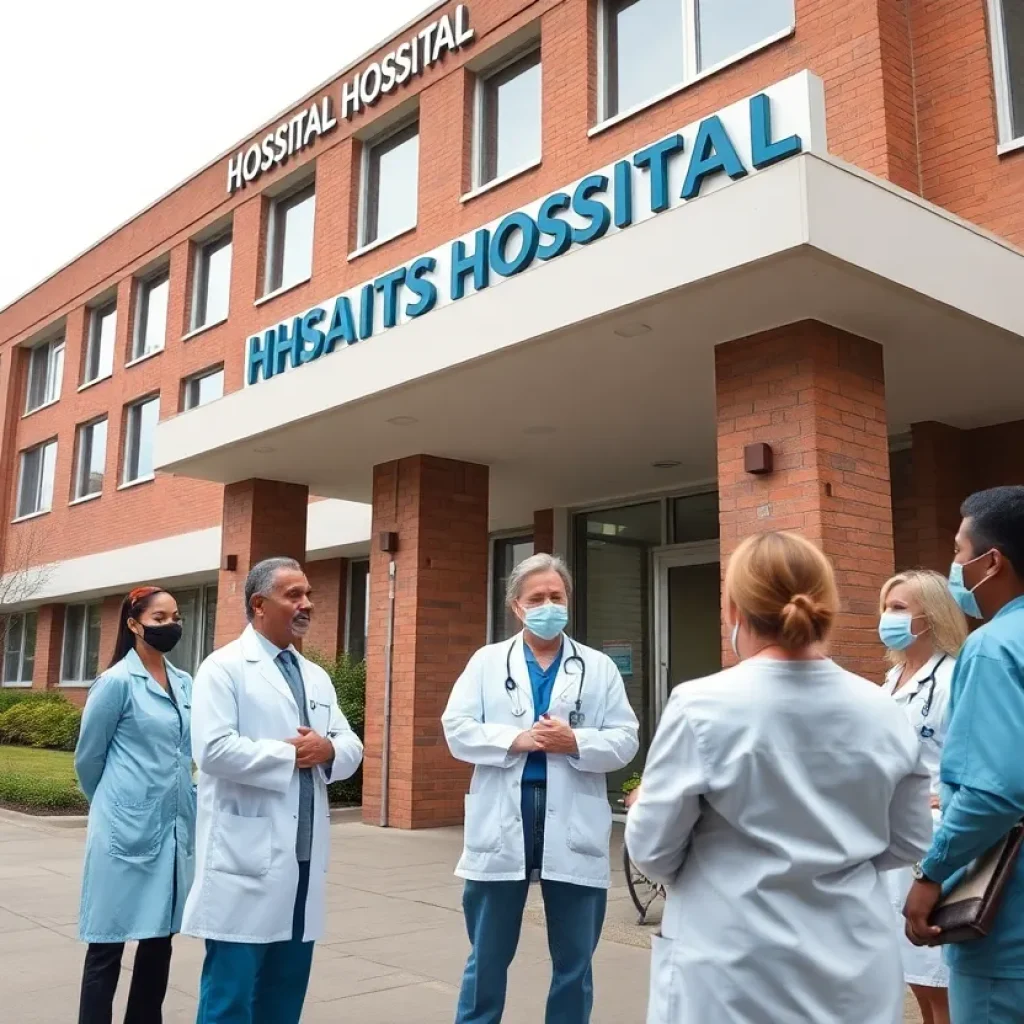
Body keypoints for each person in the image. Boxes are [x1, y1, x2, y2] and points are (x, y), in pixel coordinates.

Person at [625, 530, 933, 1024]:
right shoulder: (883, 708)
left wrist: (644, 810)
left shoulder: (701, 705)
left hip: (732, 963)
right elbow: (911, 839)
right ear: (827, 606)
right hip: (854, 963)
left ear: (732, 610)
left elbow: (655, 850)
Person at [442, 553, 639, 1024]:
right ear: (516, 606)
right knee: (486, 958)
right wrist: (516, 738)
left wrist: (576, 741)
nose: (549, 605)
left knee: (574, 963)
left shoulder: (597, 667)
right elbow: (456, 728)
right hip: (502, 822)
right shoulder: (487, 662)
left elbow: (625, 738)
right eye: (538, 598)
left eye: (557, 596)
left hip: (571, 820)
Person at [183, 556, 363, 1024]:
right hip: (244, 858)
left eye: (309, 595)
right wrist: (292, 754)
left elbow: (350, 744)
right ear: (259, 604)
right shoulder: (223, 668)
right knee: (231, 998)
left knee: (284, 996)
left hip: (303, 860)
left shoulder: (315, 675)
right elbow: (213, 751)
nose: (306, 605)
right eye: (294, 595)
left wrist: (327, 750)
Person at [903, 486, 1024, 1024]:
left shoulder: (996, 646)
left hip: (1009, 931)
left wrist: (931, 875)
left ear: (991, 561)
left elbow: (994, 792)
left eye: (958, 551)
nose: (954, 565)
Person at [75, 586, 195, 1024]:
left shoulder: (184, 683)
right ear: (133, 624)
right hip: (123, 831)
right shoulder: (116, 683)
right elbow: (89, 759)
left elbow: (187, 753)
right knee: (107, 943)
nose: (170, 626)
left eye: (175, 617)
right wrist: (114, 806)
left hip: (173, 830)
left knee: (158, 942)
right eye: (159, 619)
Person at [878, 569, 968, 1024]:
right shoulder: (891, 677)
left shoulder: (955, 676)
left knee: (941, 982)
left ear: (930, 617)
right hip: (895, 841)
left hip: (936, 840)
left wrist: (943, 797)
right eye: (886, 607)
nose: (887, 617)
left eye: (899, 608)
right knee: (916, 978)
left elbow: (975, 758)